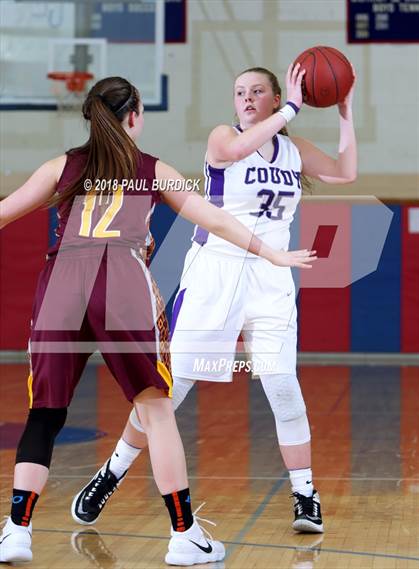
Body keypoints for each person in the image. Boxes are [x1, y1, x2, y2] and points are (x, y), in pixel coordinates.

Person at [0, 75, 315, 566]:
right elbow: (213, 219)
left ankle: (16, 530)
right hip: (120, 279)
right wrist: (270, 252)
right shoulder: (150, 169)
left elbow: (3, 212)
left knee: (45, 413)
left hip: (61, 281)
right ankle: (185, 535)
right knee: (156, 408)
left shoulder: (62, 166)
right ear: (134, 117)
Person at [70, 64, 356, 535]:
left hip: (272, 272)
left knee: (283, 387)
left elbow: (346, 172)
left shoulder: (292, 149)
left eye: (257, 91)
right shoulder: (224, 137)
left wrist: (344, 110)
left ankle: (305, 495)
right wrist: (292, 108)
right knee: (171, 389)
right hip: (215, 271)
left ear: (274, 95)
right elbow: (235, 149)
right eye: (240, 91)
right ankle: (112, 472)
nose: (246, 98)